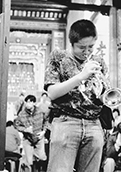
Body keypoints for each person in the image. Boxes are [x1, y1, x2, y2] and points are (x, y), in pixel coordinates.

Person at [44, 19, 111, 172]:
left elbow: (102, 93)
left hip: (94, 123)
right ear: (72, 43)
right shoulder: (58, 57)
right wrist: (81, 76)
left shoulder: (98, 61)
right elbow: (52, 93)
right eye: (82, 47)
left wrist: (104, 96)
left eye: (91, 47)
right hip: (66, 121)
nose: (87, 51)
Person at [14, 94, 47, 172]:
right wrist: (25, 130)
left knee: (42, 157)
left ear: (34, 103)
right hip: (28, 139)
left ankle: (40, 168)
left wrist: (44, 131)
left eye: (30, 102)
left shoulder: (40, 111)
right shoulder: (22, 114)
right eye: (26, 102)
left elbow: (46, 121)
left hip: (39, 137)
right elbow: (16, 125)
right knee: (29, 161)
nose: (27, 104)